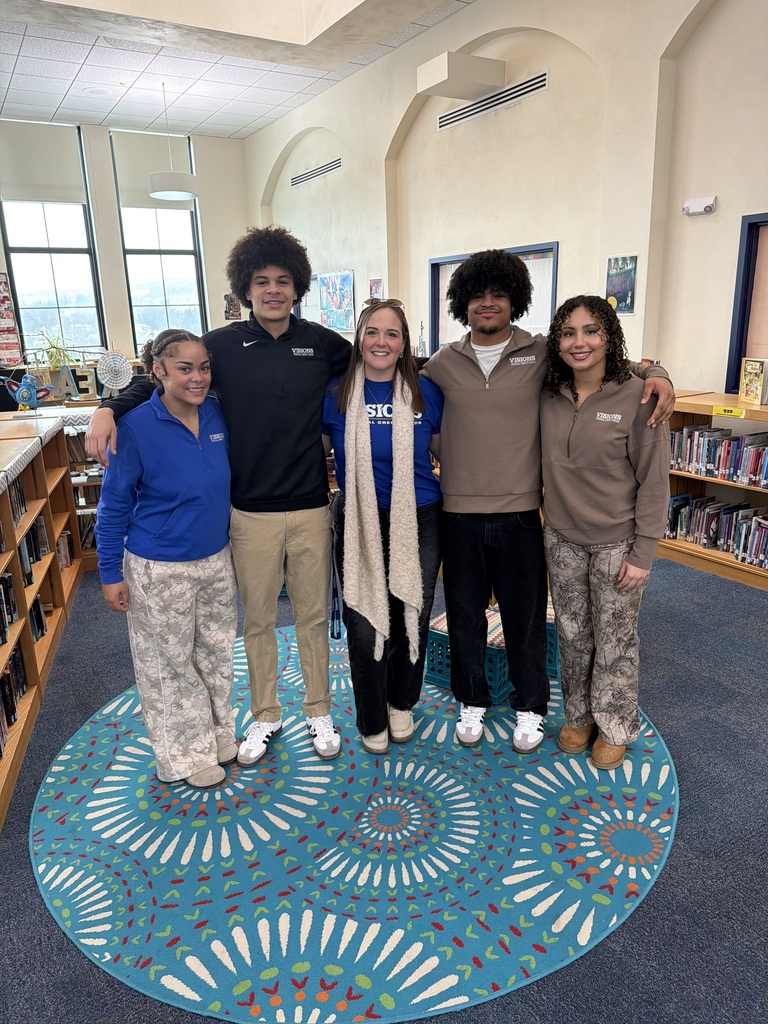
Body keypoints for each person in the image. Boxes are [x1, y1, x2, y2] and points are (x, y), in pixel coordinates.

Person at [86, 227, 352, 766]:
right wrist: (109, 407)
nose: (273, 290)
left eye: (282, 281)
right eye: (261, 281)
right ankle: (265, 716)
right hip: (248, 514)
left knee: (312, 617)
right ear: (245, 289)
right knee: (255, 621)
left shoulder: (323, 344)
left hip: (309, 507)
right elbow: (163, 376)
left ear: (296, 285)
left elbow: (380, 364)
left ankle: (318, 711)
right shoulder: (222, 347)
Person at [421, 249, 675, 754]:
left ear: (515, 300)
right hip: (468, 514)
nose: (488, 303)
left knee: (529, 617)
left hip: (524, 515)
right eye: (477, 295)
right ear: (461, 303)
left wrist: (659, 371)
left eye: (498, 294)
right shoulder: (442, 363)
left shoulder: (540, 354)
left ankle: (534, 706)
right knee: (471, 613)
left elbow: (612, 364)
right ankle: (474, 699)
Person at [95, 330, 237, 789]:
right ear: (158, 369)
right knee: (168, 664)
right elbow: (113, 504)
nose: (197, 378)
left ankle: (216, 736)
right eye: (185, 368)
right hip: (160, 566)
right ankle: (182, 757)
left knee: (215, 656)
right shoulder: (134, 427)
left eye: (203, 368)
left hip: (216, 558)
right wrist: (110, 571)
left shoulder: (216, 413)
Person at [541, 296, 670, 769]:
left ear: (609, 336)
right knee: (573, 634)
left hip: (618, 542)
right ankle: (579, 715)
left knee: (616, 637)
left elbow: (655, 480)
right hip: (560, 536)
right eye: (569, 332)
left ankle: (615, 722)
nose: (580, 342)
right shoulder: (547, 389)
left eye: (591, 331)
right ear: (557, 341)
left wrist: (644, 552)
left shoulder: (639, 395)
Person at [322, 300, 443, 753]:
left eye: (392, 334)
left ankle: (401, 702)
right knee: (364, 619)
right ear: (359, 338)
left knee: (412, 607)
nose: (381, 342)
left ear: (404, 343)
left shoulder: (426, 392)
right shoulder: (335, 393)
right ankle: (372, 715)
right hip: (357, 517)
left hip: (420, 516)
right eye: (372, 332)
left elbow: (445, 452)